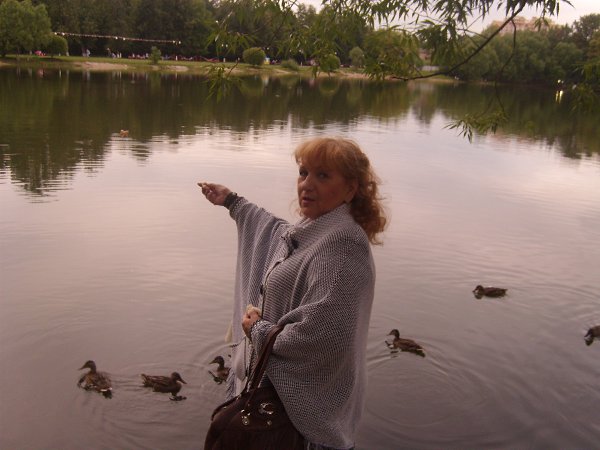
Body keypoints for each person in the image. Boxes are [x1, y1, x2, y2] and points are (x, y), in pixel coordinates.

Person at [199, 137, 387, 450]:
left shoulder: (343, 249)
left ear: (350, 189)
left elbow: (322, 336)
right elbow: (276, 232)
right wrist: (232, 201)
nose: (306, 184)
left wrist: (257, 330)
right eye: (303, 173)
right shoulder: (316, 230)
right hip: (284, 408)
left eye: (322, 175)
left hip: (304, 425)